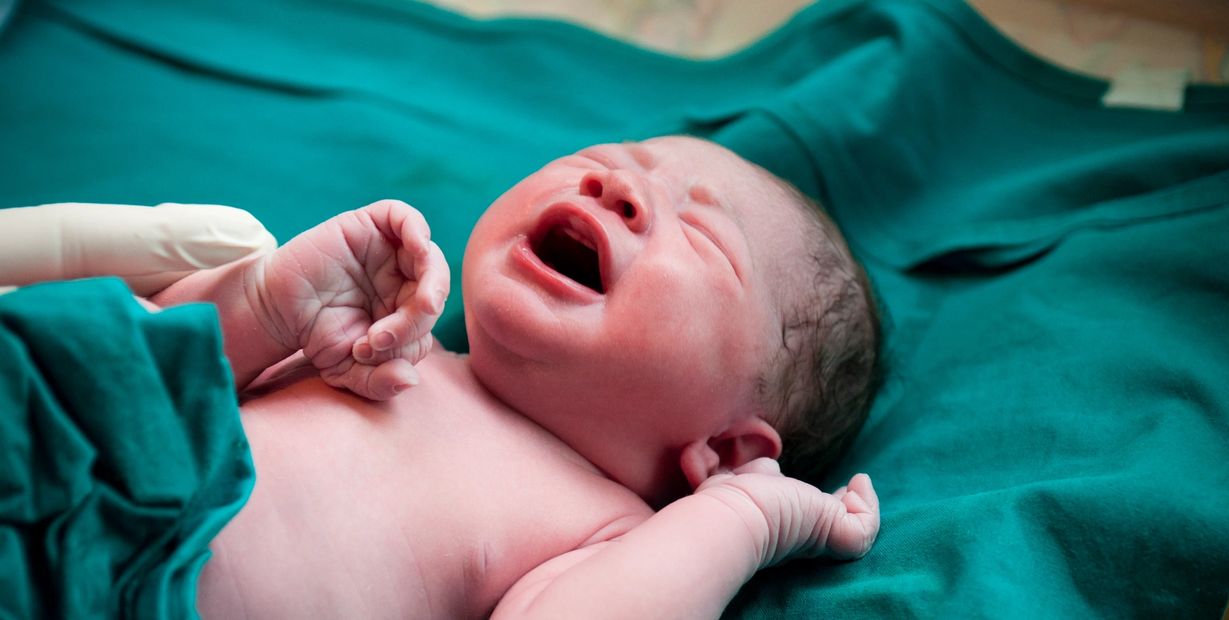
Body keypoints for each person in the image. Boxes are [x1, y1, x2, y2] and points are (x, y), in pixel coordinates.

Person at [137, 135, 882, 618]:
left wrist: (741, 520)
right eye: (618, 157)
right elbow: (140, 371)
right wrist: (264, 306)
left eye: (702, 234)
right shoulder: (376, 342)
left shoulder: (601, 531)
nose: (615, 188)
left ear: (722, 454)